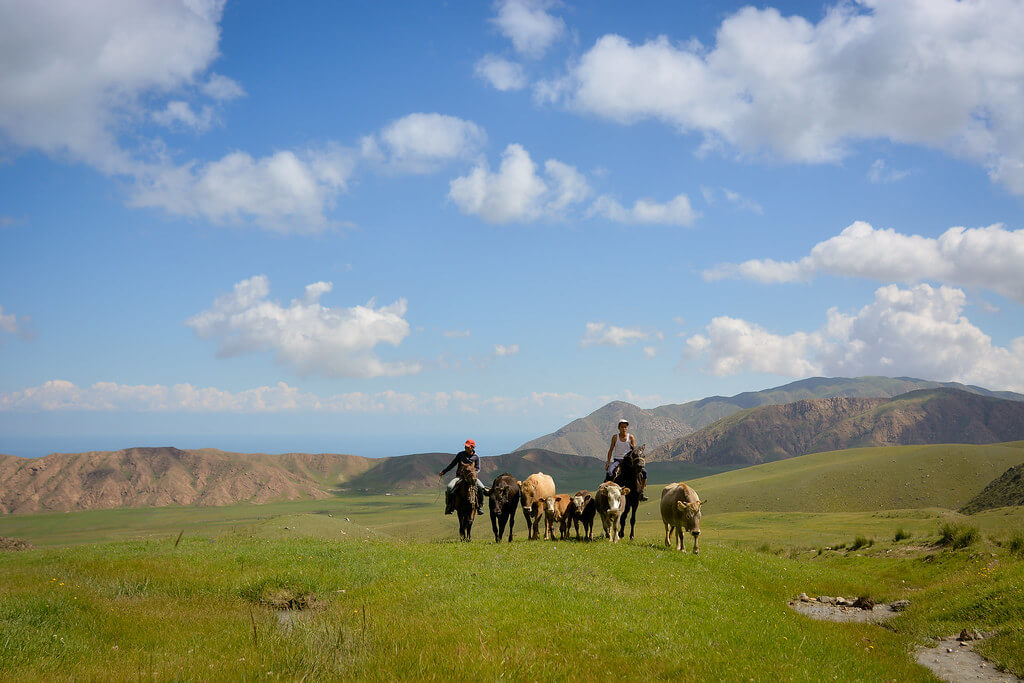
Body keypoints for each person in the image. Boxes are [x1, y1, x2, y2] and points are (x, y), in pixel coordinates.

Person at [438, 439, 488, 515]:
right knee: (449, 487)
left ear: (472, 447)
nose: (465, 447)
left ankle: (479, 507)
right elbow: (452, 464)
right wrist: (444, 471)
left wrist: (472, 474)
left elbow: (478, 469)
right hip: (460, 477)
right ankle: (449, 506)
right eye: (465, 446)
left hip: (471, 478)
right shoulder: (460, 455)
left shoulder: (476, 457)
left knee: (482, 488)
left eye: (467, 446)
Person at [604, 418, 648, 501]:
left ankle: (641, 492)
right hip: (617, 460)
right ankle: (606, 491)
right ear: (618, 428)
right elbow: (610, 450)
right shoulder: (615, 437)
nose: (623, 429)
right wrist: (608, 462)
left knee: (644, 472)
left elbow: (634, 450)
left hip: (628, 461)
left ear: (627, 428)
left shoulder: (630, 437)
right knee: (610, 472)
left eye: (625, 427)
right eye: (622, 427)